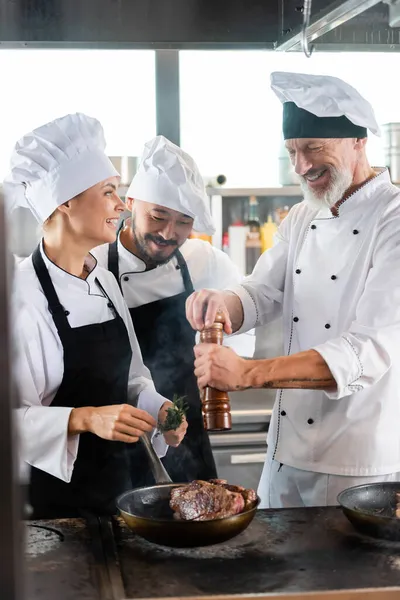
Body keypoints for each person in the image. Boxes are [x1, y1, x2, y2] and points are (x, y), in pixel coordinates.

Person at [186, 71, 400, 508]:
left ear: (358, 141)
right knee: (273, 573)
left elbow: (368, 349)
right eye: (293, 152)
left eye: (314, 148)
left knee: (342, 577)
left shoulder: (393, 220)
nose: (302, 166)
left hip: (356, 464)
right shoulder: (304, 216)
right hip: (284, 453)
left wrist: (248, 373)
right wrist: (224, 302)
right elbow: (262, 292)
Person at [5, 113, 187, 519]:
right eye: (109, 192)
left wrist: (158, 407)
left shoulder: (102, 278)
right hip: (60, 507)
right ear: (65, 201)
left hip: (128, 492)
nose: (121, 206)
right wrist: (85, 419)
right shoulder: (20, 298)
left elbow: (133, 377)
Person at [92, 135, 241, 484]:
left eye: (184, 222)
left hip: (185, 436)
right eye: (158, 216)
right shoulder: (93, 265)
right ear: (130, 203)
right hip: (119, 437)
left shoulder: (203, 262)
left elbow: (241, 324)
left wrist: (221, 368)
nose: (168, 233)